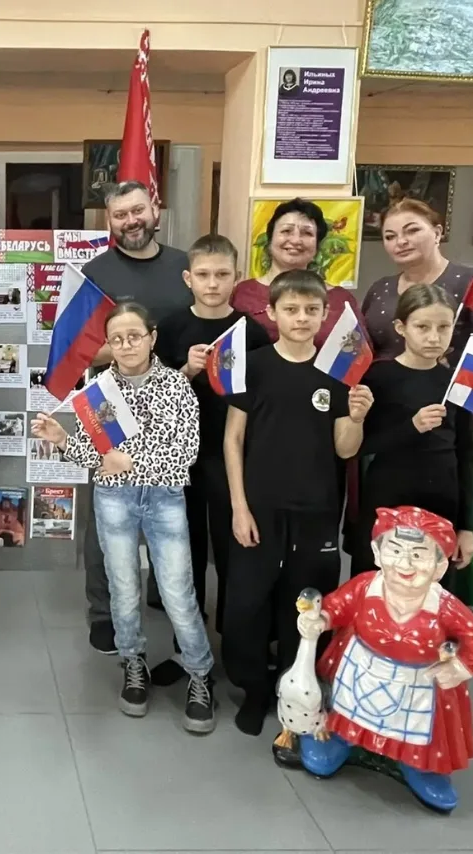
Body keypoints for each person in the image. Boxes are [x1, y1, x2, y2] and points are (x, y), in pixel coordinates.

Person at [32, 301, 217, 733]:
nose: (127, 345)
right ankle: (133, 663)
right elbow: (95, 457)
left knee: (177, 592)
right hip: (113, 498)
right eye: (117, 339)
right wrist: (63, 441)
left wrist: (127, 461)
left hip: (166, 497)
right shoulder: (99, 390)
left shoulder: (176, 386)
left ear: (152, 338)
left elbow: (184, 453)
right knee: (123, 588)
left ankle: (199, 672)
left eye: (134, 336)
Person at [221, 269, 372, 751]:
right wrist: (239, 507)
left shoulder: (338, 371)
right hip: (259, 508)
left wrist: (356, 416)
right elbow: (233, 439)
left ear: (325, 314)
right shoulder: (254, 366)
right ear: (272, 312)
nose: (301, 318)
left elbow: (346, 449)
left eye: (311, 310)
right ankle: (254, 688)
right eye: (291, 309)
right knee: (246, 603)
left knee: (307, 604)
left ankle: (296, 690)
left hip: (316, 509)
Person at [294, 506, 473, 813]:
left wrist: (459, 667)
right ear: (377, 554)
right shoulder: (366, 586)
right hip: (360, 670)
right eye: (395, 550)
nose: (405, 563)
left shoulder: (444, 606)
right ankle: (339, 739)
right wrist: (320, 619)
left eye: (418, 555)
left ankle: (418, 764)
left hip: (418, 684)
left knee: (417, 730)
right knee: (345, 711)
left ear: (440, 567)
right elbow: (338, 606)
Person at [79, 180, 195, 653]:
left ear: (155, 210)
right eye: (120, 214)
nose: (130, 221)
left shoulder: (185, 265)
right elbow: (82, 348)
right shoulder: (94, 272)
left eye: (137, 210)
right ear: (109, 221)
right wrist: (131, 347)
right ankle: (103, 613)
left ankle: (164, 597)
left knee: (171, 505)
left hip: (174, 400)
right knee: (107, 514)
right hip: (112, 403)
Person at [156, 235, 271, 645]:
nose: (212, 283)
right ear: (188, 278)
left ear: (236, 277)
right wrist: (186, 370)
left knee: (232, 548)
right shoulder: (171, 328)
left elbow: (263, 396)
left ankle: (233, 639)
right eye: (203, 275)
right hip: (181, 456)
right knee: (183, 551)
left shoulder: (251, 332)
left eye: (222, 275)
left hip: (232, 457)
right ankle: (186, 643)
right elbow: (152, 398)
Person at [355, 284, 473, 581]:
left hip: (441, 499)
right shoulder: (377, 376)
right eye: (422, 327)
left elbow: (466, 456)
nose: (434, 337)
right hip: (388, 496)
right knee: (377, 583)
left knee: (432, 586)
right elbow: (361, 445)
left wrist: (466, 527)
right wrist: (412, 426)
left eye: (443, 327)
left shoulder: (456, 382)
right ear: (401, 328)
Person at [231, 198, 361, 348]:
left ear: (317, 245)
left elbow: (359, 352)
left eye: (307, 233)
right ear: (270, 239)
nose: (295, 240)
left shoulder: (341, 300)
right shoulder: (242, 293)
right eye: (286, 231)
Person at [361, 198, 473, 362]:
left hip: (451, 378)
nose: (401, 242)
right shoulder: (379, 289)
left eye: (412, 231)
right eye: (390, 236)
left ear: (437, 233)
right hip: (379, 378)